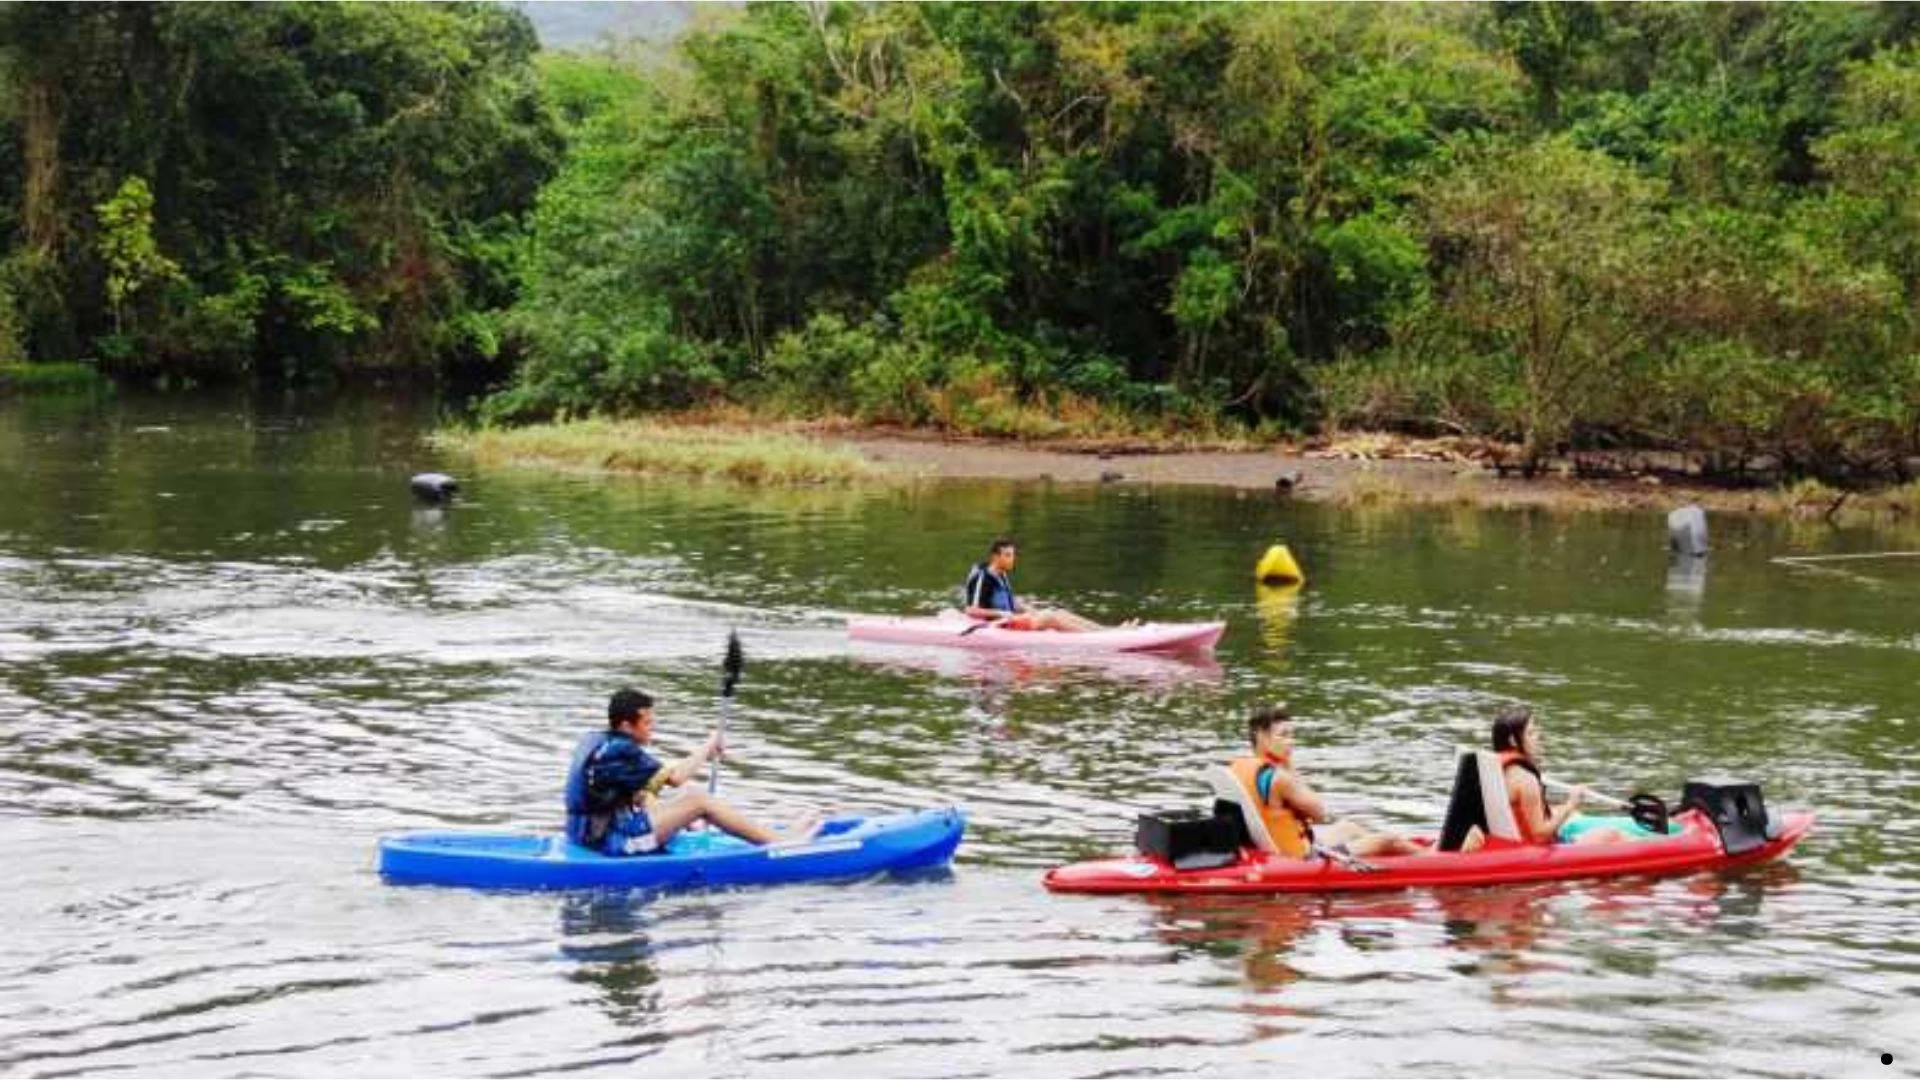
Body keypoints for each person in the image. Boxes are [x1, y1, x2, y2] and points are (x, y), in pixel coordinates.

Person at [563, 688, 815, 855]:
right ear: (627, 725)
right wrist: (709, 745)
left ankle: (705, 828)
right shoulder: (621, 750)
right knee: (699, 800)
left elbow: (642, 792)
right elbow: (676, 778)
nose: (652, 728)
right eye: (647, 723)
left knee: (680, 798)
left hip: (585, 836)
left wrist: (682, 821)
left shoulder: (598, 741)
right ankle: (783, 843)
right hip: (611, 843)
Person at [1228, 706, 1428, 859]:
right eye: (1284, 735)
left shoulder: (1240, 766)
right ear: (1262, 737)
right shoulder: (1280, 778)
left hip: (1282, 845)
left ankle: (1389, 856)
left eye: (1292, 735)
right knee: (1389, 839)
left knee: (1350, 828)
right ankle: (1432, 860)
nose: (1291, 742)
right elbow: (1319, 815)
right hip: (1303, 857)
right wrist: (1289, 766)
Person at [1490, 706, 1625, 846]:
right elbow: (1539, 835)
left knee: (1571, 816)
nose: (1538, 737)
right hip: (1536, 854)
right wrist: (1570, 804)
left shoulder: (1495, 770)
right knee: (1612, 835)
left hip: (1514, 844)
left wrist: (1564, 810)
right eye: (1531, 733)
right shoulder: (1525, 779)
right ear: (1513, 740)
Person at [961, 537, 1123, 631]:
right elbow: (971, 610)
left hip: (1012, 620)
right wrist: (1002, 614)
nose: (1013, 559)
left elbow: (1009, 601)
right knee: (1050, 617)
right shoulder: (983, 577)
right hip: (999, 626)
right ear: (995, 557)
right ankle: (1095, 639)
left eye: (1013, 555)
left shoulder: (1002, 574)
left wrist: (1027, 608)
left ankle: (1107, 631)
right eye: (1008, 555)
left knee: (1059, 611)